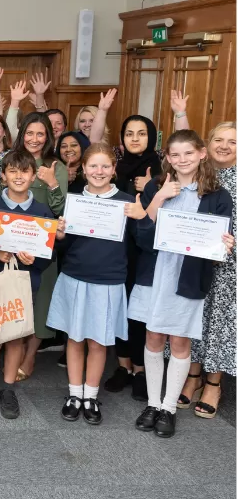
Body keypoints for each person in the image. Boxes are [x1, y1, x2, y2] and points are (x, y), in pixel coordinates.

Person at [129, 130, 234, 438]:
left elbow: (216, 250)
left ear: (202, 153)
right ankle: (152, 403)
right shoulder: (155, 187)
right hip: (155, 273)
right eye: (175, 155)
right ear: (168, 158)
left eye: (188, 153)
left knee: (179, 342)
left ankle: (169, 408)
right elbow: (143, 237)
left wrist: (225, 247)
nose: (182, 159)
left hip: (187, 276)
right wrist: (160, 197)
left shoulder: (217, 195)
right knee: (152, 339)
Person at [47, 143, 144, 425]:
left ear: (114, 170)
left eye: (105, 166)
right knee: (74, 339)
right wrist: (61, 235)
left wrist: (143, 218)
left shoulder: (127, 202)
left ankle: (91, 395)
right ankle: (74, 394)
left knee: (98, 342)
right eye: (93, 166)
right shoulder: (74, 200)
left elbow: (143, 243)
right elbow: (64, 247)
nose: (99, 171)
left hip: (109, 280)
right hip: (75, 277)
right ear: (84, 169)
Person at [0, 150, 55, 419]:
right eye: (13, 171)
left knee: (15, 336)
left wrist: (34, 260)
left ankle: (8, 388)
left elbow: (48, 255)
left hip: (24, 281)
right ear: (4, 176)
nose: (19, 176)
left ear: (34, 176)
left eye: (24, 171)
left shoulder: (43, 212)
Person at [178, 122, 236, 418]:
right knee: (195, 320)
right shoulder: (196, 176)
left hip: (230, 269)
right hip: (194, 262)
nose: (225, 146)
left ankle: (214, 382)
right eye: (219, 139)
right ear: (207, 145)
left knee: (220, 325)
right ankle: (192, 375)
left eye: (233, 142)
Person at [102, 114, 161, 399]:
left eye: (141, 133)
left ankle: (141, 369)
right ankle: (123, 365)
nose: (135, 138)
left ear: (151, 137)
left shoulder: (161, 171)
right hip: (115, 250)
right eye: (129, 133)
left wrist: (150, 189)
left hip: (144, 253)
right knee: (118, 306)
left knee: (139, 314)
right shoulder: (115, 169)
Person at [9, 112, 68, 378]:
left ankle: (30, 355)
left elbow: (63, 209)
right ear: (22, 134)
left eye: (40, 134)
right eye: (29, 133)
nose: (34, 139)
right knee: (16, 303)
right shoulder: (13, 160)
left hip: (43, 246)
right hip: (11, 243)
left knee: (40, 303)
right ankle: (15, 349)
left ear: (48, 137)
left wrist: (52, 183)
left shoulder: (56, 166)